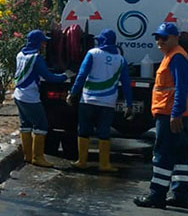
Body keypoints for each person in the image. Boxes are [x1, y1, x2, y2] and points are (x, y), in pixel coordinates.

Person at [134, 23, 188, 209]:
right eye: (157, 37)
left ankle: (157, 195)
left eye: (164, 37)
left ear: (175, 38)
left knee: (162, 154)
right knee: (178, 156)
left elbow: (180, 88)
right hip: (174, 113)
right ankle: (181, 194)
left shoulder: (176, 57)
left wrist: (176, 113)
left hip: (171, 114)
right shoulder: (172, 56)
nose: (159, 41)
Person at [67, 29, 132, 172]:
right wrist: (129, 104)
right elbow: (126, 83)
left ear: (102, 40)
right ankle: (104, 164)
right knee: (104, 132)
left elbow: (81, 75)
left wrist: (73, 93)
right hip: (108, 103)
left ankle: (82, 161)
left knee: (84, 130)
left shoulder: (92, 54)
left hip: (88, 100)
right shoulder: (121, 60)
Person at [14, 30, 68, 167]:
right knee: (41, 125)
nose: (44, 44)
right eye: (43, 42)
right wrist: (65, 76)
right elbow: (49, 77)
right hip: (30, 97)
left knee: (25, 125)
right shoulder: (35, 58)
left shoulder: (20, 55)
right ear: (38, 42)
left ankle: (28, 155)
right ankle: (38, 157)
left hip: (18, 94)